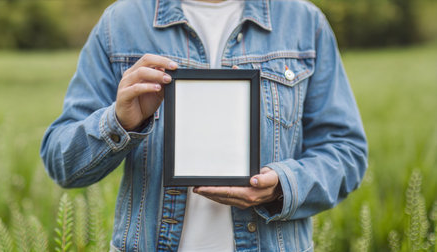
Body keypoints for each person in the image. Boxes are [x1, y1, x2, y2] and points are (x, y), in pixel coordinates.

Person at [41, 0, 368, 251]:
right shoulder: (121, 23)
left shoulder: (304, 22)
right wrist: (120, 121)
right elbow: (63, 163)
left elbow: (346, 152)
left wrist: (282, 186)